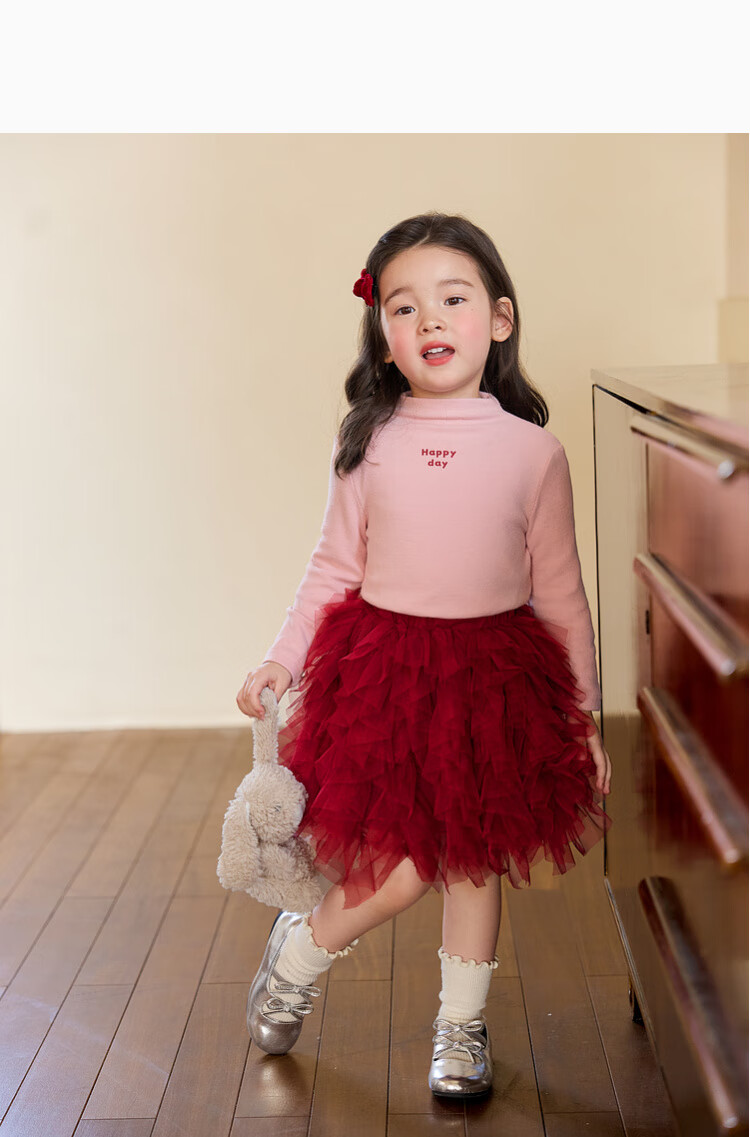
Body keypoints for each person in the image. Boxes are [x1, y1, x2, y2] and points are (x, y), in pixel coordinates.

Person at [236, 211, 612, 1099]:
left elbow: (561, 592)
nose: (430, 319)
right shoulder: (368, 441)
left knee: (475, 856)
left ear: (500, 319)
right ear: (384, 336)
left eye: (453, 299)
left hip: (495, 677)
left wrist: (583, 715)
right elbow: (332, 567)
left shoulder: (534, 452)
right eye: (404, 307)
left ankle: (461, 1026)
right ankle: (298, 952)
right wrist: (282, 659)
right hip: (389, 676)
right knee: (399, 869)